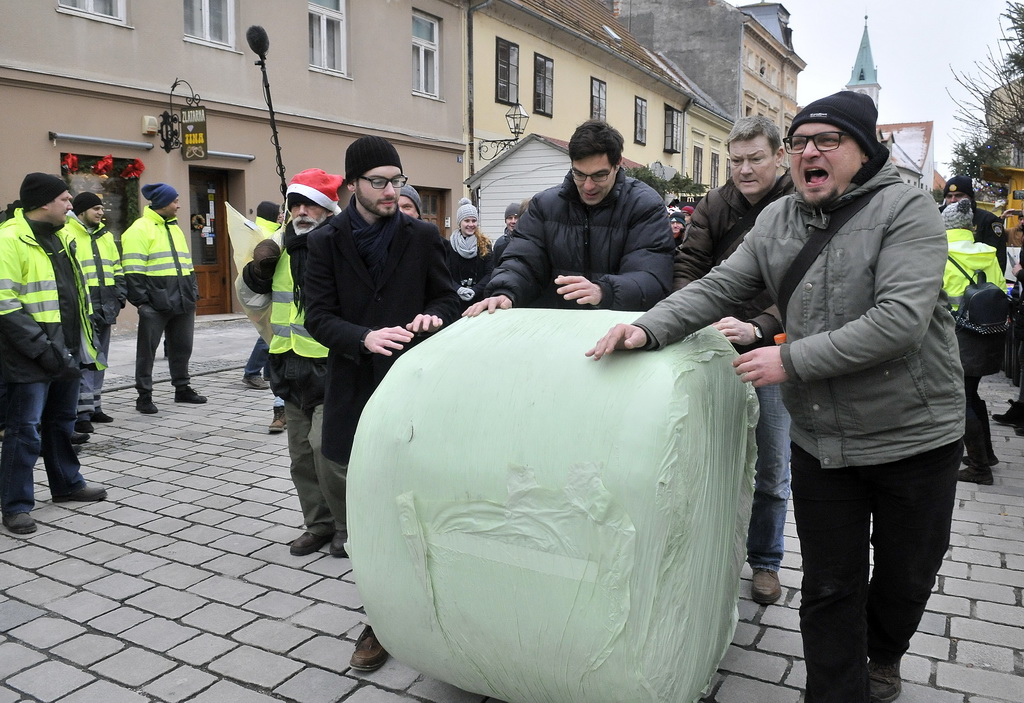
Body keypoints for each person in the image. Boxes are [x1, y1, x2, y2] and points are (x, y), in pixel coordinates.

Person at [587, 91, 964, 703]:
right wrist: (647, 328)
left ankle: (885, 651)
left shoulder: (908, 210)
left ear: (863, 151)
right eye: (799, 142)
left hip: (913, 435)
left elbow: (900, 321)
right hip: (822, 440)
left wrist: (787, 359)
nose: (809, 153)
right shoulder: (778, 220)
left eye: (827, 141)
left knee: (907, 575)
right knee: (829, 586)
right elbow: (718, 286)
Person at [303, 135, 460, 673]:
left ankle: (436, 606)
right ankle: (379, 618)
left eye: (397, 181)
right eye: (380, 182)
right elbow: (317, 316)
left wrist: (435, 316)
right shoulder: (325, 241)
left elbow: (447, 296)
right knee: (369, 514)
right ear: (353, 185)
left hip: (416, 388)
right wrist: (363, 337)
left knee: (421, 502)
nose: (392, 191)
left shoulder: (422, 235)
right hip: (354, 387)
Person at [673, 115, 795, 606]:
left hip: (772, 349)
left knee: (772, 465)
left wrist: (760, 326)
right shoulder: (715, 203)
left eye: (755, 159)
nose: (744, 169)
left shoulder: (799, 204)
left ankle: (765, 560)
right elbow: (689, 264)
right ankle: (710, 551)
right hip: (713, 345)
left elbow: (805, 285)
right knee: (708, 457)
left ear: (779, 156)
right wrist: (689, 317)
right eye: (736, 160)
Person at [238, 169, 349, 558]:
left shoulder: (343, 244)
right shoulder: (278, 245)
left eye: (311, 205)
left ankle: (346, 525)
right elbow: (253, 304)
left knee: (326, 452)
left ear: (328, 209)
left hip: (332, 367)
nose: (302, 212)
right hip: (289, 366)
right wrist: (257, 272)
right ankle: (317, 525)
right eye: (296, 204)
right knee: (301, 456)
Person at [464, 120, 673, 316]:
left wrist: (604, 291)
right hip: (555, 328)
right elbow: (522, 262)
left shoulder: (644, 206)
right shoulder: (544, 206)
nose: (588, 186)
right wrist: (505, 292)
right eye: (579, 174)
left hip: (618, 329)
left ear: (617, 164)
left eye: (599, 175)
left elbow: (651, 276)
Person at [0, 173, 108, 535]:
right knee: (24, 430)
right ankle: (16, 505)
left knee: (62, 423)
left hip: (66, 348)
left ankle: (67, 484)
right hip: (28, 354)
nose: (70, 205)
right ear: (44, 202)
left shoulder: (61, 237)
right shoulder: (9, 239)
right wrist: (43, 349)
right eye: (65, 199)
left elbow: (72, 295)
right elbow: (5, 305)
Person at [122, 182, 206, 414]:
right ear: (162, 203)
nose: (178, 205)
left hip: (183, 300)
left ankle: (182, 388)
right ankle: (144, 396)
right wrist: (143, 303)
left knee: (183, 348)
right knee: (147, 352)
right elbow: (132, 271)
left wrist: (192, 293)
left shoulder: (175, 228)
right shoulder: (139, 229)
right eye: (175, 201)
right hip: (155, 304)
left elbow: (186, 265)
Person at [942, 199, 1005, 485]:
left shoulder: (940, 252)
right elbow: (1000, 290)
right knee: (971, 394)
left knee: (961, 398)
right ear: (971, 227)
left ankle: (980, 469)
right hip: (986, 335)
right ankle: (987, 455)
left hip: (956, 335)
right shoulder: (987, 253)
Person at [64, 192, 125, 433]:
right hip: (83, 309)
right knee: (84, 361)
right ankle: (82, 412)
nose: (101, 212)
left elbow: (117, 268)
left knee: (100, 360)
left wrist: (119, 297)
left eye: (101, 208)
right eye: (96, 209)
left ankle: (96, 406)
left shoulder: (106, 236)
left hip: (106, 306)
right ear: (81, 212)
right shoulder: (67, 233)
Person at [943, 175, 1007, 272]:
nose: (953, 200)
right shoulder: (937, 217)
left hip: (977, 277)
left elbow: (998, 258)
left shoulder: (988, 220)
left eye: (959, 195)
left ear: (970, 197)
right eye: (949, 196)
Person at [446, 198, 494, 310]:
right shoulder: (449, 246)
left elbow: (490, 273)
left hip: (480, 300)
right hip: (455, 302)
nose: (471, 224)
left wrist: (475, 290)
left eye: (474, 221)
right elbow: (445, 274)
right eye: (467, 221)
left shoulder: (485, 244)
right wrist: (458, 289)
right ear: (460, 223)